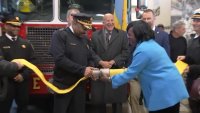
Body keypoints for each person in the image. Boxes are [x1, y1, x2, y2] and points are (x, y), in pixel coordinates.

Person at [100, 20, 189, 113]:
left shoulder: (143, 50)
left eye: (130, 34)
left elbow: (131, 73)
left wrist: (110, 79)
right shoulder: (151, 44)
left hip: (164, 93)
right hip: (172, 90)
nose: (128, 37)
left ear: (138, 34)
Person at [49, 13, 95, 113]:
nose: (86, 30)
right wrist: (82, 70)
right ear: (74, 22)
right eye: (83, 27)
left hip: (80, 86)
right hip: (63, 85)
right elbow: (60, 59)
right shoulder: (60, 35)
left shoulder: (85, 39)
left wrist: (91, 68)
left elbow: (90, 57)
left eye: (87, 28)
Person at [90, 13, 130, 113]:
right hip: (100, 71)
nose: (110, 23)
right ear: (103, 22)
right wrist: (100, 61)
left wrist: (114, 61)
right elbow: (91, 52)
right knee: (99, 101)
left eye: (112, 20)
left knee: (117, 102)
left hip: (116, 72)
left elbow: (126, 51)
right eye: (107, 21)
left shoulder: (122, 34)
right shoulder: (95, 35)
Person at [0, 15, 35, 113]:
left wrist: (23, 75)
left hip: (22, 83)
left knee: (23, 108)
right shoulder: (0, 42)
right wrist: (14, 75)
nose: (16, 28)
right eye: (13, 26)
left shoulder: (26, 43)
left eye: (18, 26)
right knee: (3, 108)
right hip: (5, 84)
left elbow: (33, 62)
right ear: (5, 26)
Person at [177, 8, 200, 113]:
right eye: (194, 20)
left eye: (198, 20)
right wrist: (185, 58)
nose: (195, 23)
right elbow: (195, 57)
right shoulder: (192, 39)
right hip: (192, 83)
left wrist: (191, 68)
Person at [126, 22, 147, 113]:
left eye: (130, 34)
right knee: (134, 104)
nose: (128, 37)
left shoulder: (146, 47)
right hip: (133, 80)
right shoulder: (131, 45)